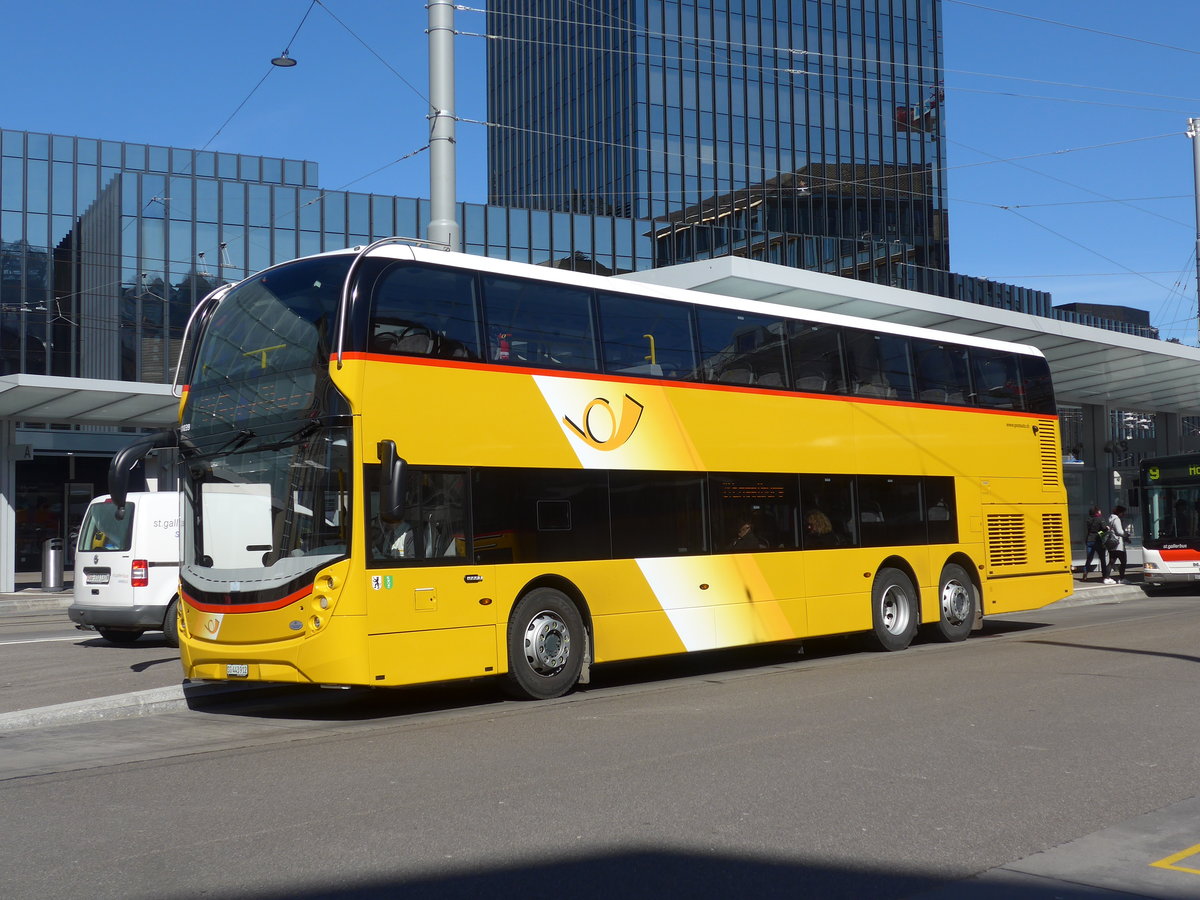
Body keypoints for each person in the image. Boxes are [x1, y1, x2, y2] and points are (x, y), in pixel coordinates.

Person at [1102, 505, 1130, 584]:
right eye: (1123, 513)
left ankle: (1106, 578)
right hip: (1118, 544)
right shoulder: (1117, 519)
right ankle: (1121, 578)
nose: (1123, 514)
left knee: (1111, 561)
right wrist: (1126, 535)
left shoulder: (1110, 519)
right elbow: (1119, 531)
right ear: (1119, 512)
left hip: (1112, 544)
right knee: (1123, 561)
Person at [1082, 506, 1107, 581]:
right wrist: (1106, 529)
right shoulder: (1100, 519)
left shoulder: (1088, 520)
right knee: (1102, 558)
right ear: (1097, 512)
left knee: (1089, 558)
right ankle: (1104, 574)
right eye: (1099, 511)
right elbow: (1104, 529)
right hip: (1098, 540)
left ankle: (1085, 573)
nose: (1100, 512)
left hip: (1089, 540)